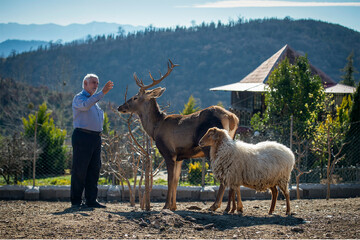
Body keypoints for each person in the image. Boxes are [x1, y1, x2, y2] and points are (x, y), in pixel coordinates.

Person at [71, 73, 114, 208]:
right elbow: (85, 106)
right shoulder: (79, 98)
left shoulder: (95, 102)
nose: (96, 85)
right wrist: (102, 93)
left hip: (95, 138)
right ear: (85, 84)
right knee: (80, 170)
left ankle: (91, 200)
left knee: (94, 170)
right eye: (93, 82)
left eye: (97, 83)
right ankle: (76, 201)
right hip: (83, 136)